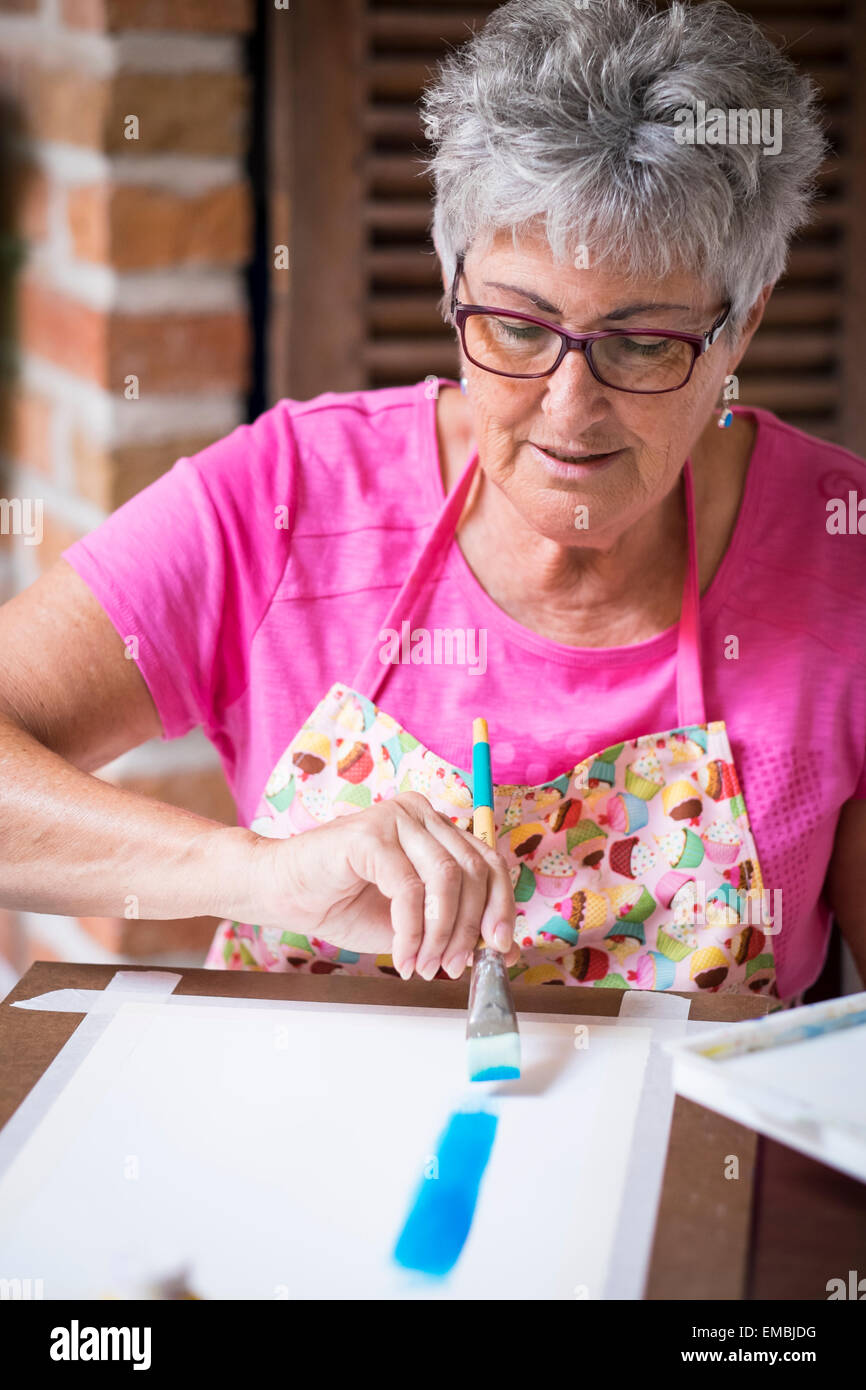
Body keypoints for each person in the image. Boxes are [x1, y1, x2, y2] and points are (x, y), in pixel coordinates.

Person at [1, 0, 863, 1005]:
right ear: (452, 286)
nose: (566, 408)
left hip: (684, 1160)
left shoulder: (837, 550)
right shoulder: (291, 495)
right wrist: (260, 873)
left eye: (641, 343)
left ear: (742, 324)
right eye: (514, 326)